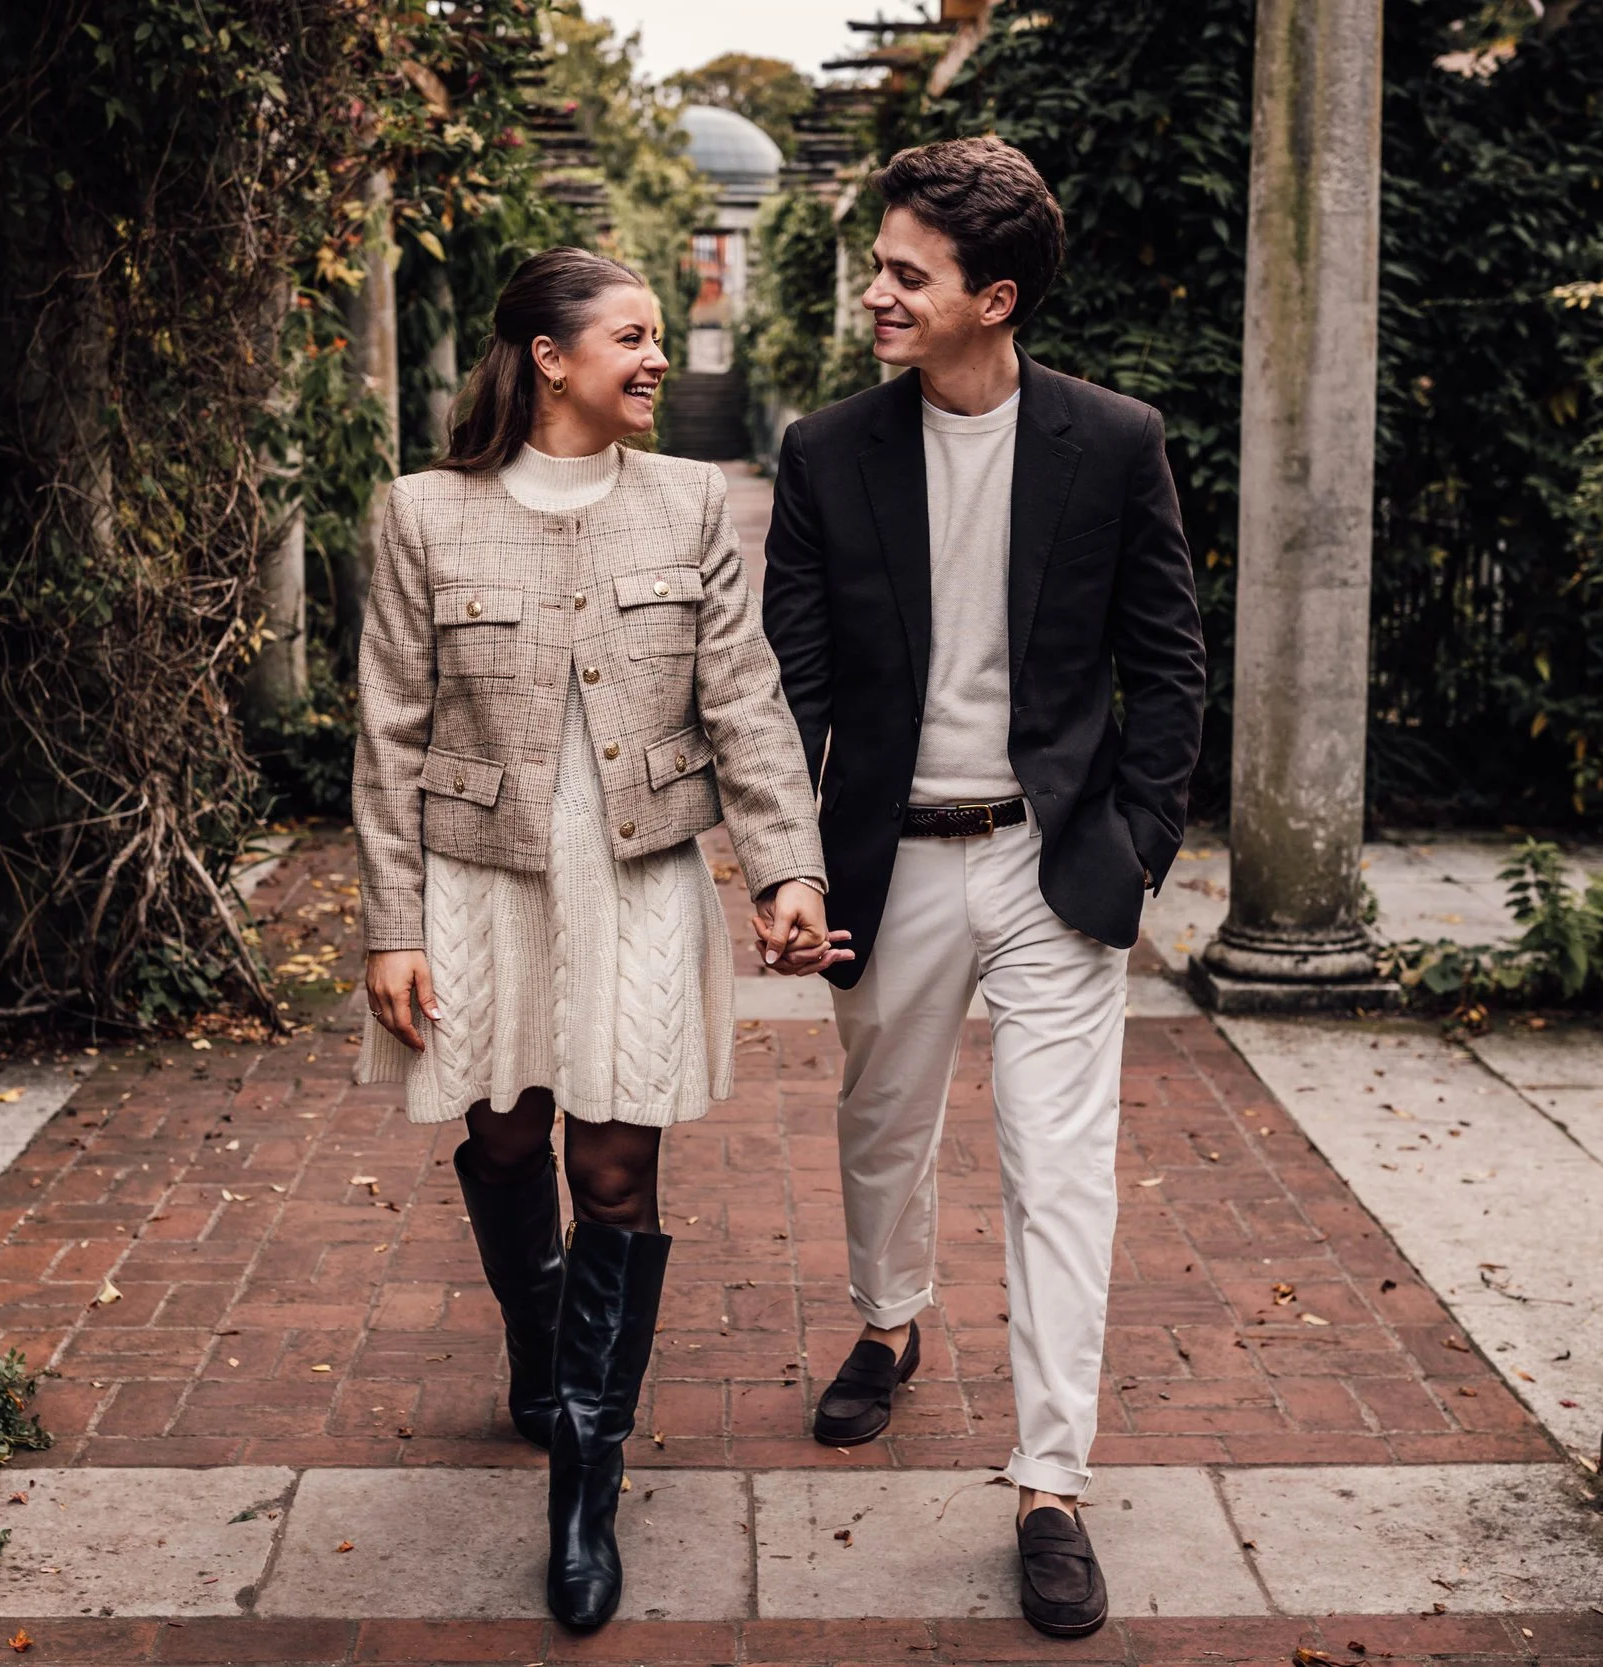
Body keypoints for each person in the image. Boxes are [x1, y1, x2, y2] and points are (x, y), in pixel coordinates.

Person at [354, 247, 844, 1631]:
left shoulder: (689, 502)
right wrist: (391, 923)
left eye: (651, 335)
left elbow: (745, 702)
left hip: (639, 876)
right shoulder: (424, 514)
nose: (653, 357)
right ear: (549, 357)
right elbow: (389, 729)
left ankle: (585, 1479)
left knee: (616, 1167)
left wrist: (784, 868)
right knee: (508, 1132)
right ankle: (537, 1329)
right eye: (630, 336)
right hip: (480, 877)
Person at [762, 138, 1207, 1639]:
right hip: (887, 862)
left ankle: (1051, 1479)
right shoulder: (828, 451)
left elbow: (1171, 658)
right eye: (881, 266)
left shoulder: (1114, 440)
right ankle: (890, 1320)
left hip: (1050, 856)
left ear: (992, 298)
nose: (877, 293)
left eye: (906, 275)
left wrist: (1136, 843)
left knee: (1059, 1170)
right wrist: (793, 862)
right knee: (880, 1123)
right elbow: (794, 677)